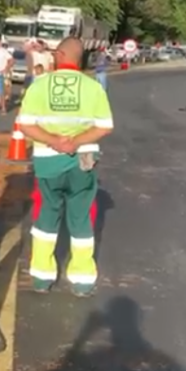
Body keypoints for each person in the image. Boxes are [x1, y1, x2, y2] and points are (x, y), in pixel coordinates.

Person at [16, 37, 114, 297]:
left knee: (47, 213)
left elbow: (25, 124)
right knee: (81, 218)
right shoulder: (93, 88)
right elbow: (105, 126)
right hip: (83, 162)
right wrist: (76, 142)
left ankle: (42, 278)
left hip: (48, 161)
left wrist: (54, 141)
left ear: (59, 55)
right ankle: (82, 280)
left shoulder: (39, 86)